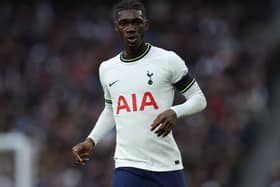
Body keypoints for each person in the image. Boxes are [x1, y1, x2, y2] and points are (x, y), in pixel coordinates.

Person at [72, 0, 207, 186]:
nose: (130, 28)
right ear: (116, 28)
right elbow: (112, 110)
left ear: (146, 25)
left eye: (136, 22)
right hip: (127, 166)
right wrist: (91, 141)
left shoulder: (167, 60)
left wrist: (176, 111)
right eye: (124, 23)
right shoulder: (107, 68)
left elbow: (199, 99)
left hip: (166, 166)